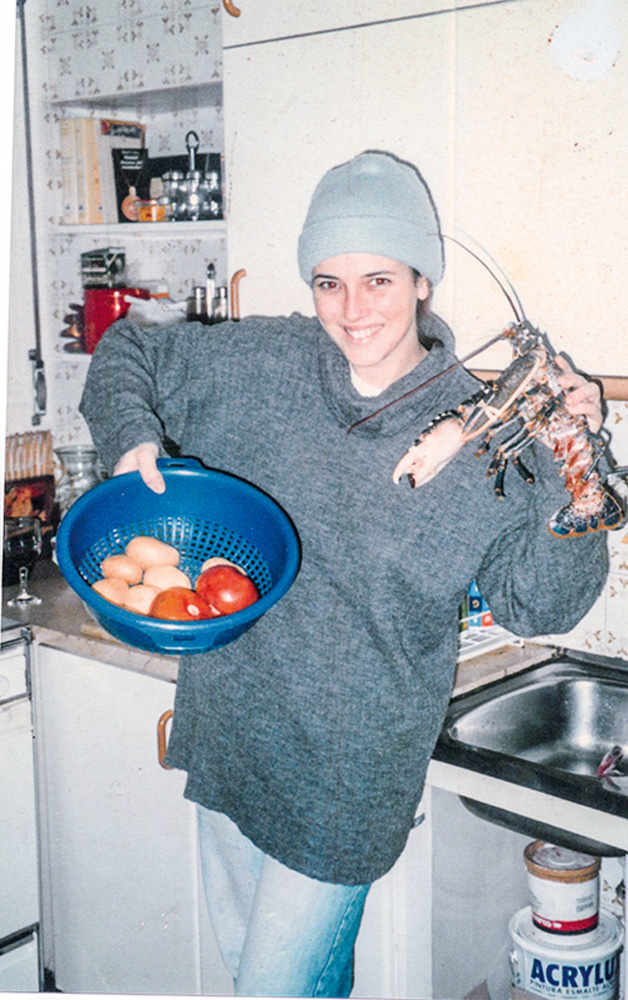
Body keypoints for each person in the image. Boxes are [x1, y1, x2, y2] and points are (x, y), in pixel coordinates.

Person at [80, 151, 609, 997]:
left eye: (379, 281)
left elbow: (539, 603)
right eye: (329, 283)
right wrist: (132, 438)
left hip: (345, 783)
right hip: (231, 741)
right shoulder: (261, 365)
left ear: (423, 281)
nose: (352, 310)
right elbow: (125, 353)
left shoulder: (487, 426)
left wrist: (577, 468)